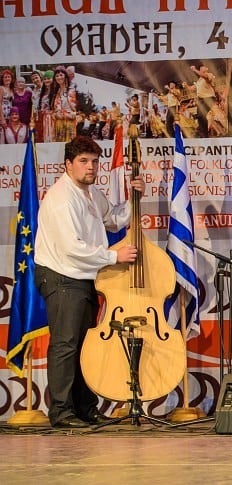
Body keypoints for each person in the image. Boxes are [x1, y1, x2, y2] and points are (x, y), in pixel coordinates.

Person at [34, 136, 142, 428]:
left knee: (84, 346)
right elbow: (72, 248)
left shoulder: (92, 193)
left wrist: (134, 199)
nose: (91, 167)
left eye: (95, 161)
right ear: (68, 164)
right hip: (61, 277)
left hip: (82, 278)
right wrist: (112, 255)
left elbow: (115, 220)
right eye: (83, 161)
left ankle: (85, 408)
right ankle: (61, 412)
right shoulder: (61, 199)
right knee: (66, 344)